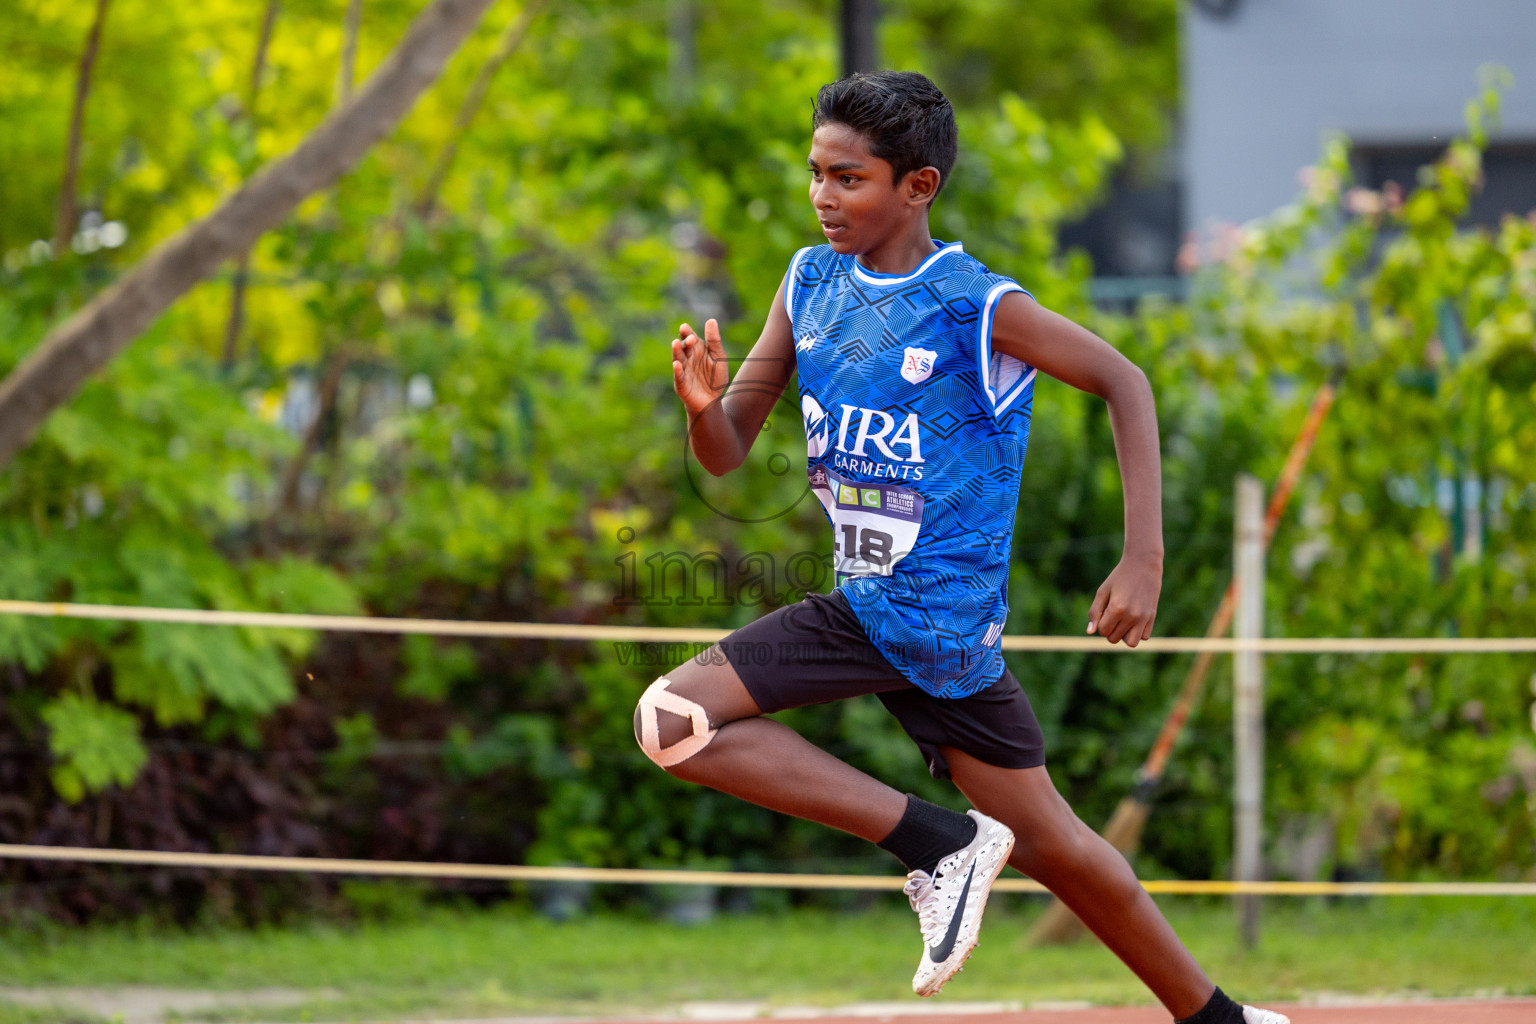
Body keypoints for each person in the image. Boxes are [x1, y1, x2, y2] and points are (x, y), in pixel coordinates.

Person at [634, 70, 1288, 1024]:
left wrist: (1142, 558)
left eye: (849, 177)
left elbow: (1124, 378)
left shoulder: (973, 305)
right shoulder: (807, 282)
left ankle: (951, 851)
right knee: (678, 723)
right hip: (868, 607)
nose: (823, 195)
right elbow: (729, 453)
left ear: (919, 186)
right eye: (816, 173)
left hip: (939, 623)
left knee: (1058, 848)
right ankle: (1197, 1005)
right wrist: (701, 410)